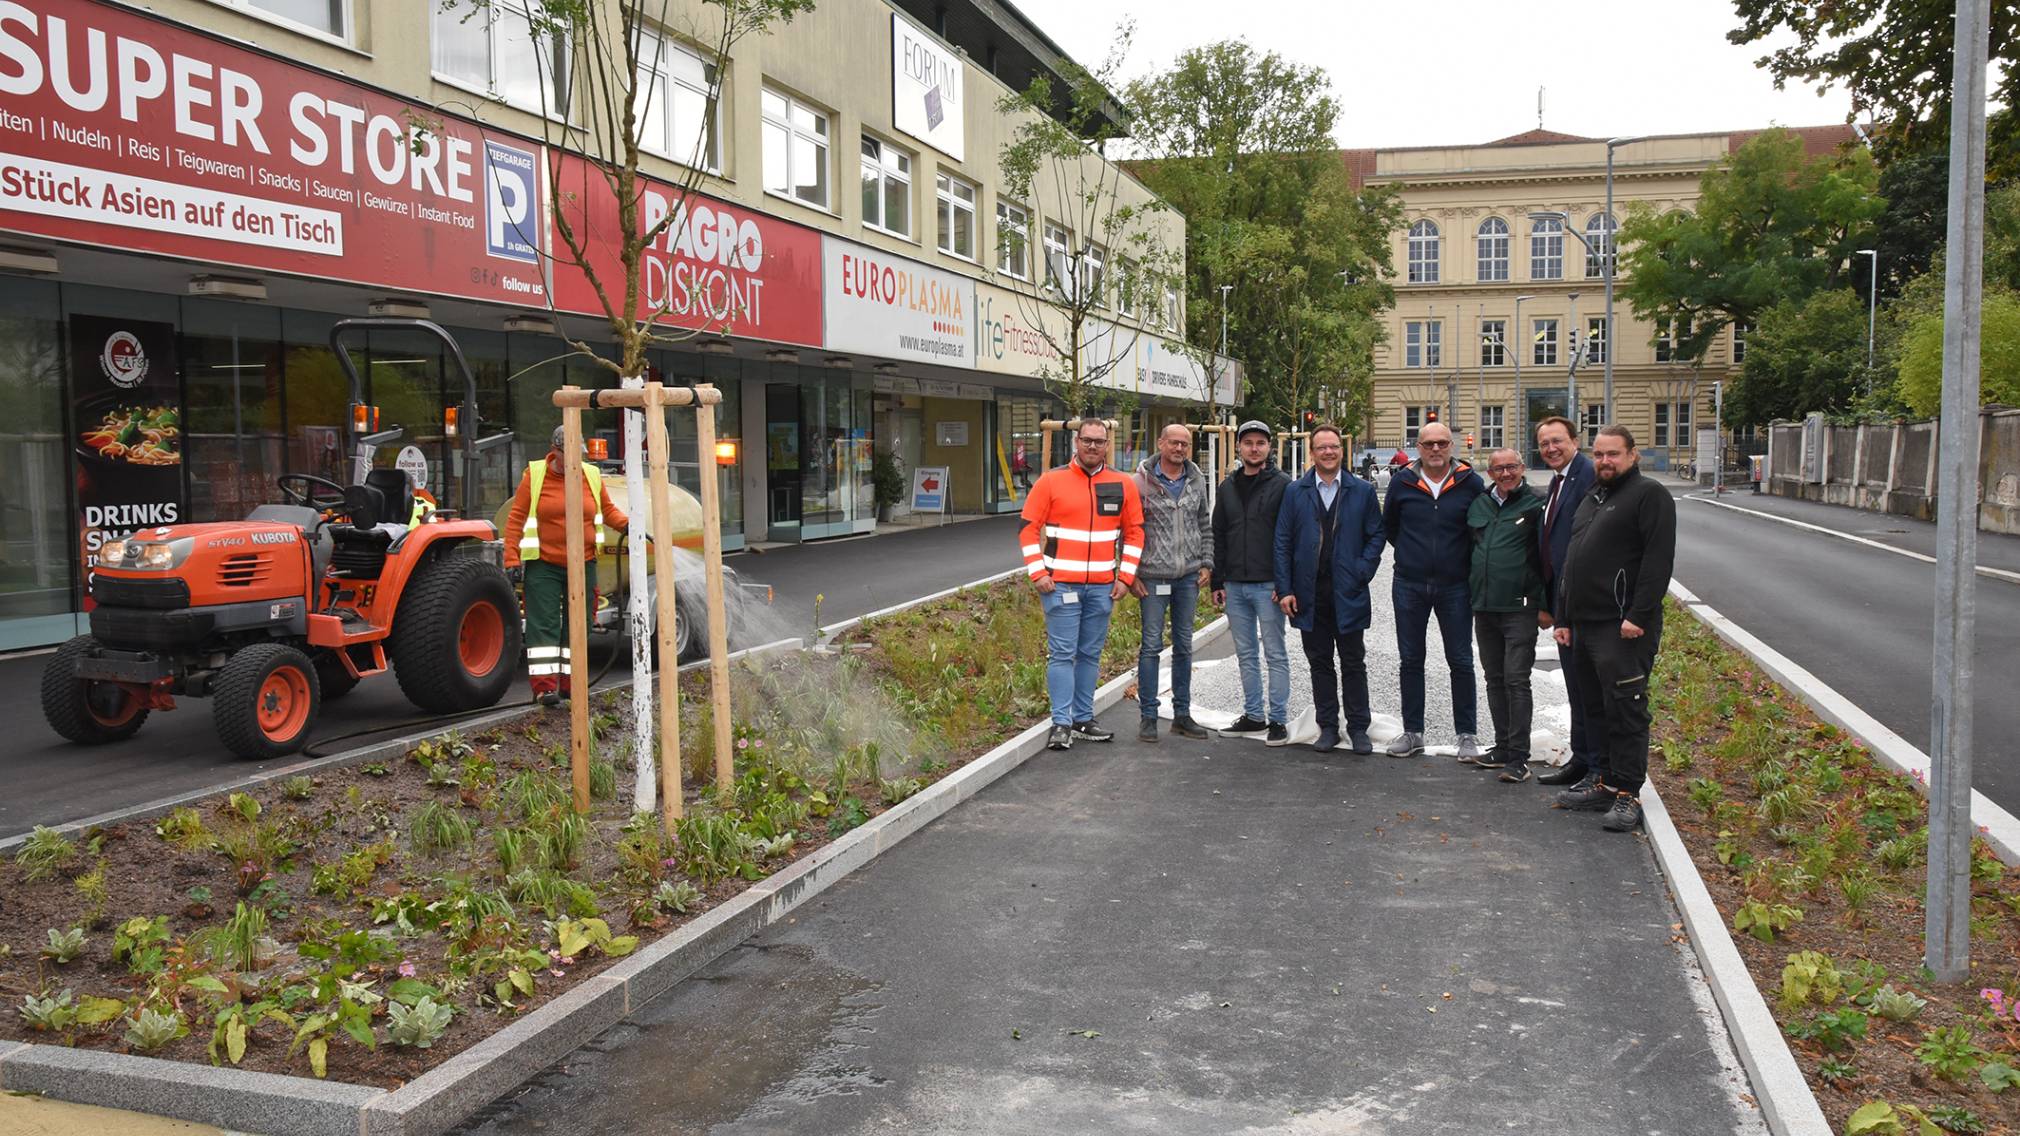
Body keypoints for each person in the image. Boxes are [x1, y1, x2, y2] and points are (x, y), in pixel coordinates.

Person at [1551, 426, 1678, 832]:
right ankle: (1604, 782)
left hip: (1622, 626)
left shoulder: (1649, 495)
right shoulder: (1594, 496)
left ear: (1632, 455)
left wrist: (1638, 616)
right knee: (1595, 707)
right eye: (1600, 454)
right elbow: (1572, 560)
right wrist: (1564, 617)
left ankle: (1628, 792)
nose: (1605, 461)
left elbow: (1658, 561)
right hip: (1585, 625)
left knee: (1626, 709)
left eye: (1613, 454)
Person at [1019, 418, 1145, 751]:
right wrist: (1038, 573)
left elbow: (1134, 533)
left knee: (1090, 654)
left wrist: (1126, 577)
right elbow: (1028, 529)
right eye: (1087, 440)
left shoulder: (1122, 483)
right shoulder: (1051, 481)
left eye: (1099, 441)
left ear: (1107, 445)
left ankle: (1083, 719)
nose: (1092, 446)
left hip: (1102, 587)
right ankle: (1061, 723)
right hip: (1060, 586)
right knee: (1062, 654)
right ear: (1076, 442)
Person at [1274, 423, 1385, 754]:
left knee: (1353, 662)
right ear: (1312, 452)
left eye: (1334, 446)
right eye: (1321, 447)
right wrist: (1285, 588)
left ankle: (1359, 728)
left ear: (1341, 450)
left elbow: (1376, 535)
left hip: (1348, 592)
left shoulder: (1361, 491)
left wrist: (1362, 571)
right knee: (1319, 662)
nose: (1328, 452)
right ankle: (1328, 727)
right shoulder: (1295, 491)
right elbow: (1282, 541)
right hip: (1309, 594)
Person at [504, 425, 630, 707]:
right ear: (555, 451)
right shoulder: (535, 475)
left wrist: (627, 525)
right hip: (544, 565)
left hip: (583, 563)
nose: (575, 460)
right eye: (568, 454)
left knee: (579, 625)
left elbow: (607, 510)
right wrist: (511, 558)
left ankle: (571, 684)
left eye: (578, 454)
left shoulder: (590, 475)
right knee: (544, 625)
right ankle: (544, 688)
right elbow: (516, 518)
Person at [1381, 421, 1486, 759]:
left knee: (1461, 660)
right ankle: (1413, 732)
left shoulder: (1471, 483)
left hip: (1455, 585)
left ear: (1452, 446)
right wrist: (1413, 554)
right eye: (1429, 444)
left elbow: (1480, 529)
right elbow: (1391, 526)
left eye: (1442, 443)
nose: (1436, 449)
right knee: (1411, 659)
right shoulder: (1402, 482)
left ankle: (1467, 735)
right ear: (1419, 447)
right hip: (1409, 583)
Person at [1466, 448, 1548, 783]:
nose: (1505, 473)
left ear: (1522, 468)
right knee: (1494, 678)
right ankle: (1501, 746)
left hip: (1520, 607)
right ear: (1490, 473)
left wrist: (1546, 604)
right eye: (1498, 469)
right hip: (1485, 607)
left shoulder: (1536, 504)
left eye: (1511, 467)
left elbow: (1548, 557)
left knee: (1516, 679)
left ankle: (1518, 757)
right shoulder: (1479, 504)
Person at [1211, 420, 1293, 745]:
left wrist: (1285, 584)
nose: (1254, 448)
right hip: (1234, 585)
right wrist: (1217, 580)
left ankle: (1278, 720)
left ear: (1269, 447)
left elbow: (1289, 537)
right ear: (1239, 447)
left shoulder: (1283, 486)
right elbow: (1219, 534)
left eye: (1260, 442)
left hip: (1269, 585)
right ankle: (1254, 715)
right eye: (1248, 443)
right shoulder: (1227, 487)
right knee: (1245, 654)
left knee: (1275, 653)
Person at [1131, 424, 1213, 743]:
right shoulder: (1140, 482)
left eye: (1185, 444)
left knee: (1184, 646)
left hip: (1188, 577)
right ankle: (1148, 717)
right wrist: (1131, 574)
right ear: (1160, 443)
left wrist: (1206, 563)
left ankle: (1182, 715)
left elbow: (1204, 522)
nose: (1179, 448)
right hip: (1152, 578)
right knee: (1151, 646)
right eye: (1174, 443)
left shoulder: (1196, 479)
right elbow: (1128, 529)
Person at [1532, 416, 1600, 788]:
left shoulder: (1588, 477)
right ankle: (1582, 758)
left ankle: (1596, 769)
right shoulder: (1560, 480)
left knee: (1590, 689)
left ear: (1575, 440)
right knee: (1576, 685)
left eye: (1557, 441)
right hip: (1564, 603)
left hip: (1583, 603)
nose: (1551, 448)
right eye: (1544, 443)